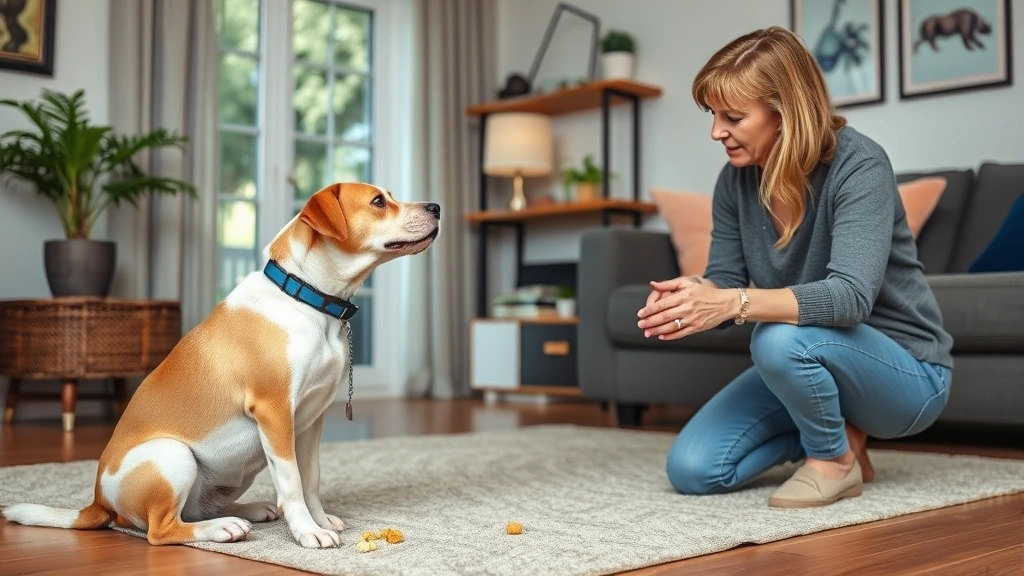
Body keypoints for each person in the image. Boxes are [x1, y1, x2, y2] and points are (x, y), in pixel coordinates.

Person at [635, 26, 953, 508]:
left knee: (777, 335)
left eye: (733, 117)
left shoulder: (859, 165)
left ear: (784, 114)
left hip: (907, 374)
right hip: (807, 356)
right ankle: (842, 437)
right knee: (694, 468)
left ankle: (833, 461)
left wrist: (733, 303)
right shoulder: (735, 180)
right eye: (713, 114)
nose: (716, 131)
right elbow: (725, 277)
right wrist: (696, 295)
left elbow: (849, 299)